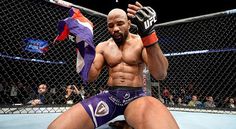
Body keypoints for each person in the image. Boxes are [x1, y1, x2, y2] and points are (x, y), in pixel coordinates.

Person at [48, 1, 179, 129]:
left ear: (128, 24)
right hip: (110, 98)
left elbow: (160, 74)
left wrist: (149, 35)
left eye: (120, 23)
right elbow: (89, 77)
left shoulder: (140, 42)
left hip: (137, 98)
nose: (115, 28)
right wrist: (82, 47)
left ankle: (132, 119)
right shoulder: (103, 47)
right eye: (110, 25)